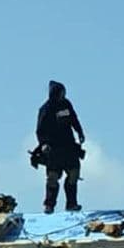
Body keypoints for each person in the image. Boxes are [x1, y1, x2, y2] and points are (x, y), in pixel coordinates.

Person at [35, 81, 86, 213]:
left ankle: (71, 204)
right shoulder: (45, 109)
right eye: (61, 92)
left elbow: (74, 119)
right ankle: (49, 205)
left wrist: (79, 132)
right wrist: (44, 144)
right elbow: (40, 130)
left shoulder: (66, 104)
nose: (63, 94)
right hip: (53, 149)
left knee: (74, 173)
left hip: (69, 146)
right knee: (52, 177)